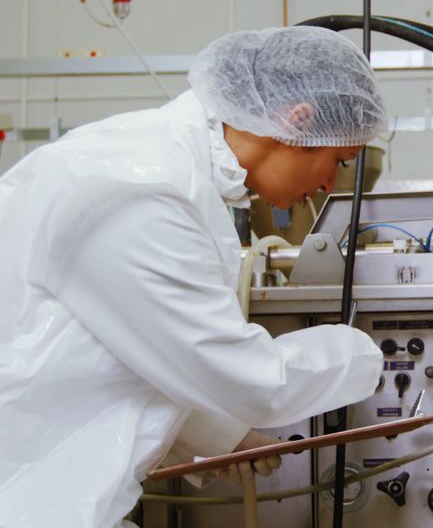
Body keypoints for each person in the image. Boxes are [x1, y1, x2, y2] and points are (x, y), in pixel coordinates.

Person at [0, 26, 387, 527]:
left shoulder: (167, 168)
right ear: (298, 120)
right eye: (338, 160)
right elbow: (248, 380)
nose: (328, 184)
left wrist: (223, 434)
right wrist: (370, 351)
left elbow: (129, 354)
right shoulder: (142, 186)